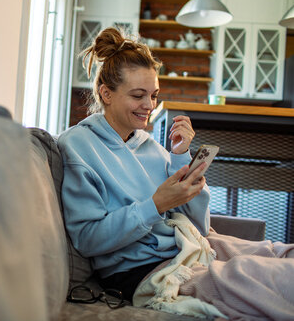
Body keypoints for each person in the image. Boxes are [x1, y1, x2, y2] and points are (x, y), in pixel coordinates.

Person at [57, 26, 210, 302]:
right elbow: (87, 239)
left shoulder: (150, 146)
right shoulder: (78, 146)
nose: (149, 105)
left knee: (272, 255)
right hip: (139, 271)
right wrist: (156, 205)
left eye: (154, 95)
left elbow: (199, 226)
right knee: (260, 279)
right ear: (106, 94)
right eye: (138, 96)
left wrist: (180, 157)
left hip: (183, 250)